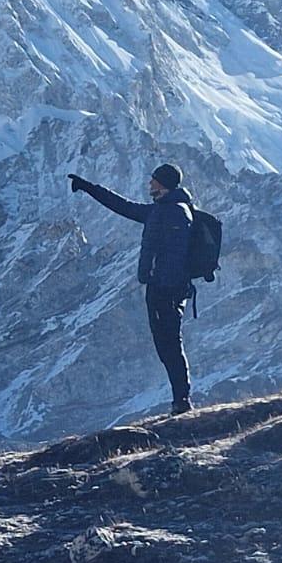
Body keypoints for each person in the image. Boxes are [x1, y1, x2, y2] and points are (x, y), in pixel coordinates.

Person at [67, 163, 196, 414]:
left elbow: (165, 249)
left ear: (164, 184)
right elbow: (124, 207)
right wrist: (90, 188)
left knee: (168, 345)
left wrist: (156, 279)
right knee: (170, 345)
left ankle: (182, 401)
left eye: (154, 180)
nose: (150, 184)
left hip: (164, 289)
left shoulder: (168, 213)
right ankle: (180, 399)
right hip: (172, 288)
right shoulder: (175, 209)